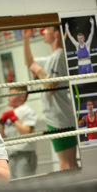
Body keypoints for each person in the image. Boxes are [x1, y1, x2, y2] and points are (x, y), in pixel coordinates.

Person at [22, 27, 78, 170]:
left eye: (47, 29)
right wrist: (26, 39)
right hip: (60, 117)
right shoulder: (53, 57)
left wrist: (40, 72)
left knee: (66, 164)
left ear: (56, 34)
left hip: (59, 118)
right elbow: (30, 63)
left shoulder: (58, 56)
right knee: (69, 162)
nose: (43, 32)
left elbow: (51, 88)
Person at [0, 86, 38, 179]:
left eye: (12, 95)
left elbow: (27, 132)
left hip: (24, 154)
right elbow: (2, 137)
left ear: (22, 97)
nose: (8, 97)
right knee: (14, 186)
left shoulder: (27, 110)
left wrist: (14, 119)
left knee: (26, 185)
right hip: (10, 154)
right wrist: (1, 123)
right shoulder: (9, 112)